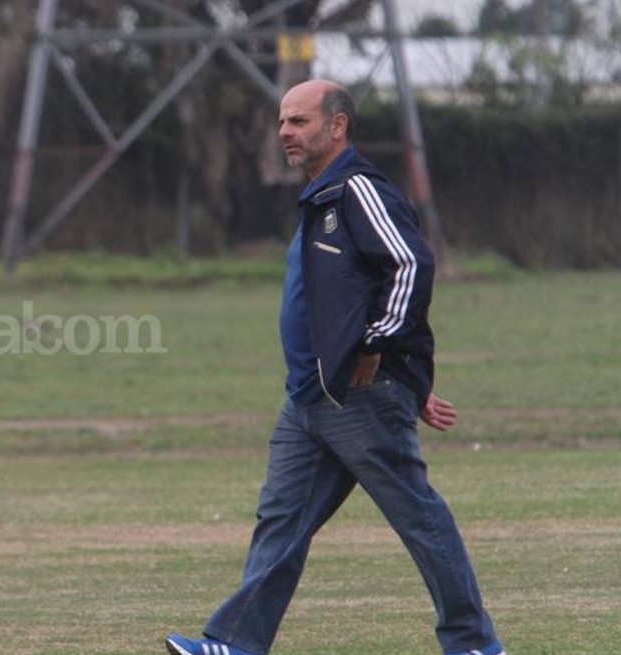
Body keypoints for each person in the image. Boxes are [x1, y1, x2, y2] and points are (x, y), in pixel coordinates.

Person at [164, 79, 505, 655]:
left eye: (298, 122)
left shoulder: (356, 191)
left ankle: (474, 645)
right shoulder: (320, 198)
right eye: (282, 122)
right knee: (281, 521)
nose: (284, 133)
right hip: (308, 399)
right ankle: (236, 644)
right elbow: (347, 294)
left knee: (418, 520)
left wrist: (379, 353)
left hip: (359, 396)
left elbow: (408, 268)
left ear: (337, 125)